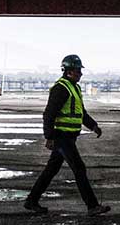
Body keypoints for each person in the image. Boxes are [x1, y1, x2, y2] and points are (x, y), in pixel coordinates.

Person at [24, 54, 110, 216]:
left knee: (51, 170)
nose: (81, 74)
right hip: (61, 136)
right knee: (79, 168)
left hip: (70, 137)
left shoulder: (74, 88)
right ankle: (92, 206)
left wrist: (93, 126)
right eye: (78, 71)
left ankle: (31, 201)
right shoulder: (61, 88)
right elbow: (49, 114)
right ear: (69, 71)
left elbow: (80, 112)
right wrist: (49, 136)